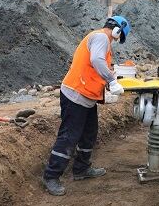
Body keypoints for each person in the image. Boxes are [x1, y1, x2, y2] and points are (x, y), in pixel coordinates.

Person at [41, 16, 131, 196]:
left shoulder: (102, 40)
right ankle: (51, 176)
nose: (116, 40)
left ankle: (81, 169)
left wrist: (107, 79)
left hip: (87, 96)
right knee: (69, 136)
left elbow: (95, 67)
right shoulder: (101, 38)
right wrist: (112, 80)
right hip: (75, 94)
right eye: (118, 37)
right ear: (116, 30)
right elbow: (97, 61)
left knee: (89, 133)